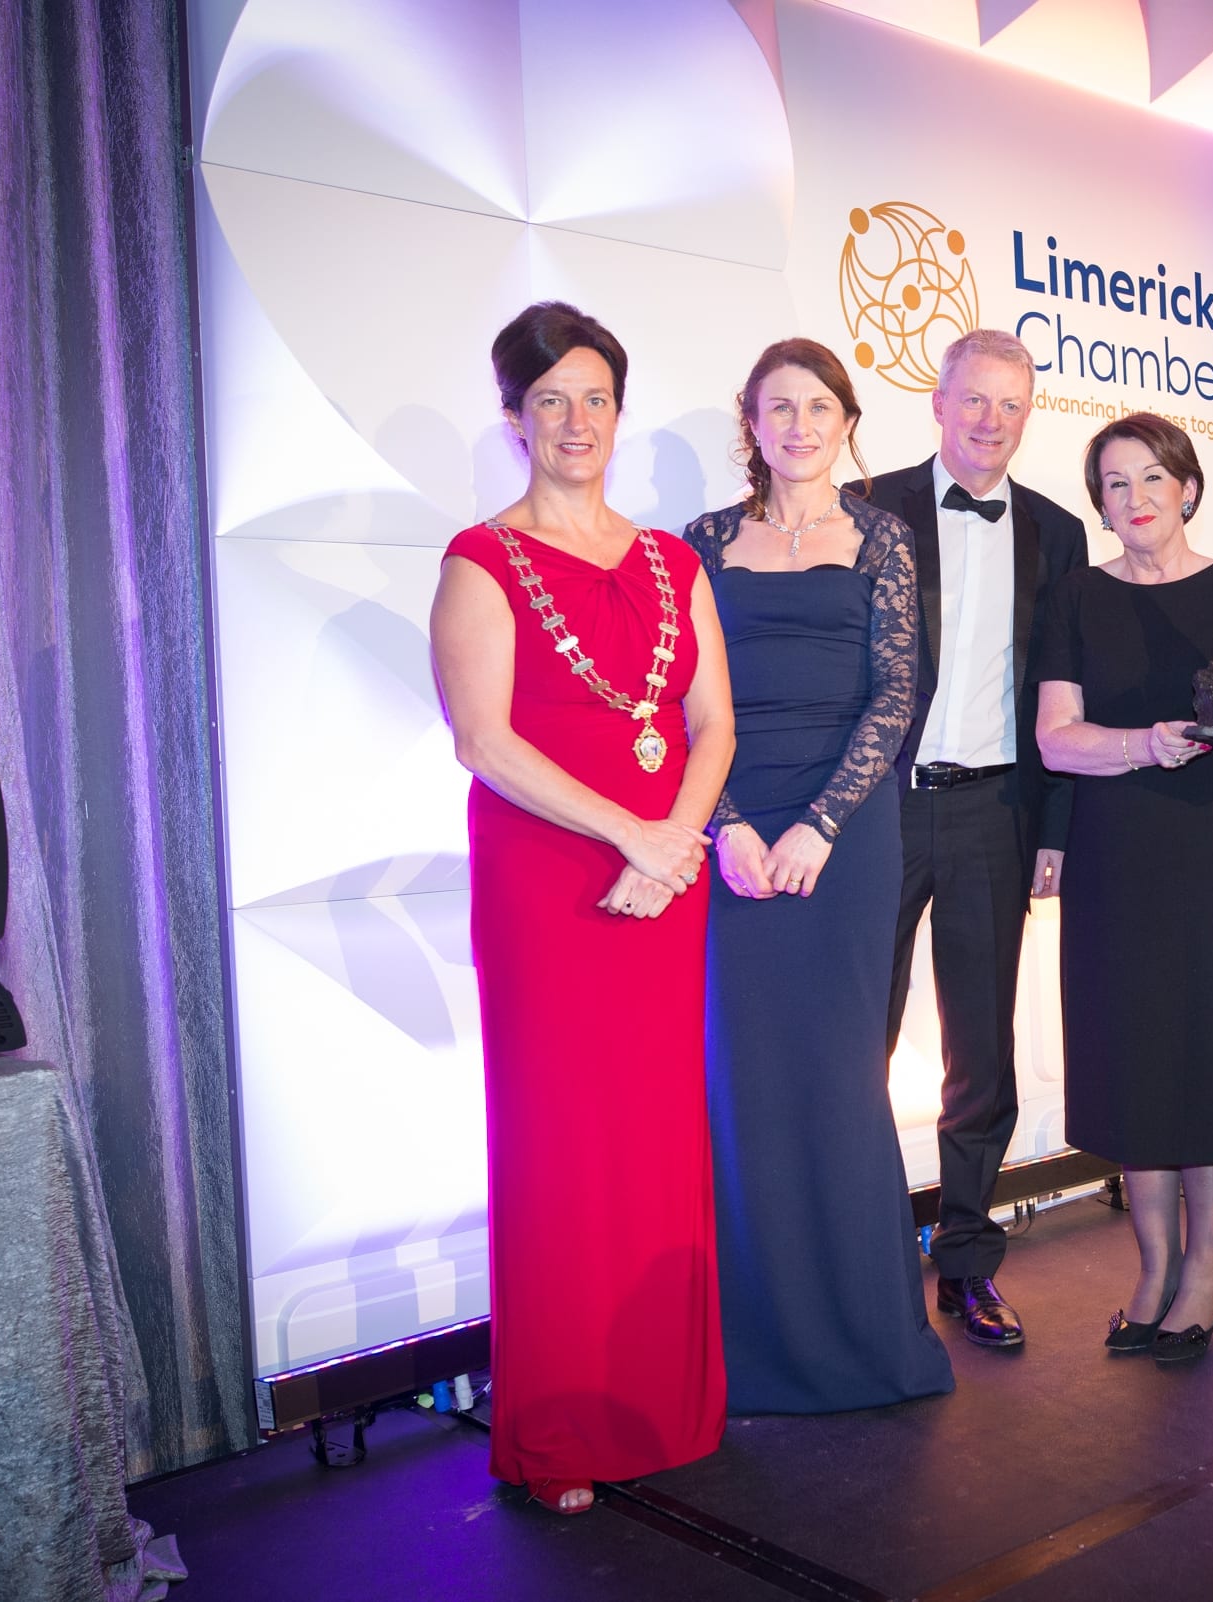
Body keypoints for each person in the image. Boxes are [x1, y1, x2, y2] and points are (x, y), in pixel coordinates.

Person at [431, 301, 732, 1514]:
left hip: (661, 885)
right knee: (561, 1146)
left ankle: (666, 1403)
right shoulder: (480, 558)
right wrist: (635, 833)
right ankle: (560, 1429)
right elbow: (482, 739)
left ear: (620, 409)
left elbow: (713, 725)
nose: (574, 421)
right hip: (550, 888)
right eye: (547, 400)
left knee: (658, 1134)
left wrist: (673, 843)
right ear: (513, 420)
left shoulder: (672, 561)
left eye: (593, 396)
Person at [683, 338, 954, 1413]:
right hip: (734, 836)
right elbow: (687, 704)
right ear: (748, 422)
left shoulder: (883, 538)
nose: (797, 426)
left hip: (846, 838)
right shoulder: (700, 542)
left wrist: (823, 826)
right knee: (742, 1081)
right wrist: (733, 826)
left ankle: (866, 1341)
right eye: (776, 408)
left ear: (848, 419)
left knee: (845, 1076)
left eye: (817, 407)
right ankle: (755, 1353)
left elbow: (895, 698)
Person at [860, 330, 1088, 1348]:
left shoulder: (1058, 531)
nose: (991, 420)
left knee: (980, 1050)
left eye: (1011, 404)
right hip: (883, 810)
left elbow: (1073, 688)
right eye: (975, 401)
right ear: (939, 404)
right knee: (857, 1033)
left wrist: (1058, 827)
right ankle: (856, 1254)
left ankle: (964, 1259)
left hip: (999, 812)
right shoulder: (871, 511)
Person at [1031, 413, 1213, 1362]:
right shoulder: (1075, 595)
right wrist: (1141, 747)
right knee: (1134, 1064)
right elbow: (1053, 737)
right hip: (1113, 855)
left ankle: (1207, 1269)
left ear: (1190, 488)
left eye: (1153, 478)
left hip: (1206, 851)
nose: (1135, 499)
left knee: (1203, 1065)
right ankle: (1154, 1268)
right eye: (1115, 485)